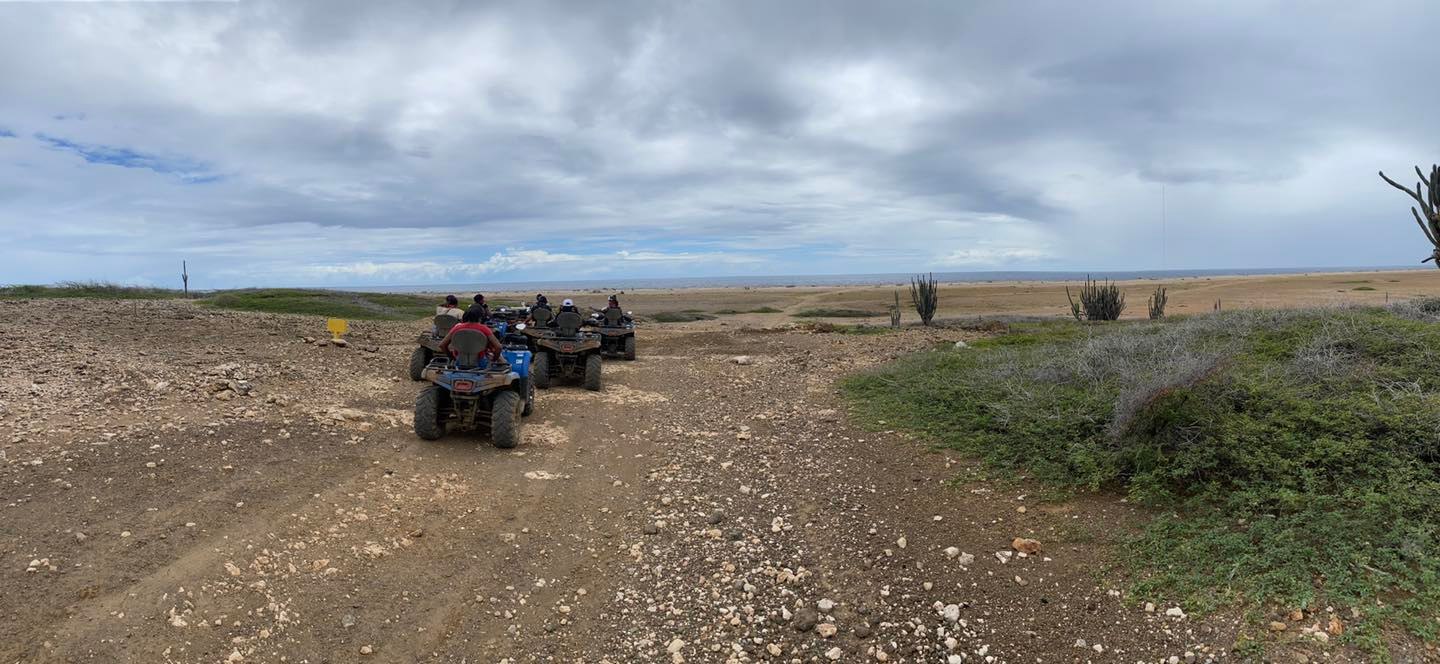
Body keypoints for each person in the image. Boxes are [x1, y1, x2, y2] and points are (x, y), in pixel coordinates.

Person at [438, 307, 504, 366]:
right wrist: (494, 359)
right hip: (480, 362)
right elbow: (498, 347)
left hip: (459, 361)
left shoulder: (457, 328)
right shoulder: (484, 328)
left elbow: (442, 345)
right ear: (480, 317)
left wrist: (452, 357)